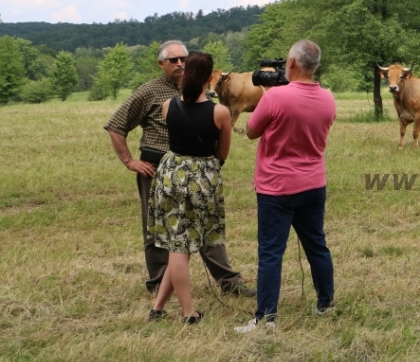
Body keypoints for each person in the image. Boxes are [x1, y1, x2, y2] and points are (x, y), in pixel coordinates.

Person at [104, 40, 254, 298]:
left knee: (207, 225)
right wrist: (130, 161)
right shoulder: (149, 92)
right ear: (161, 63)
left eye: (184, 59)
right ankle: (160, 282)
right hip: (157, 168)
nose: (179, 64)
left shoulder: (202, 93)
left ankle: (229, 281)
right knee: (157, 228)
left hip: (196, 170)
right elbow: (116, 125)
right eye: (173, 60)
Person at [235, 39, 337, 334]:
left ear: (291, 63)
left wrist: (269, 96)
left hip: (276, 186)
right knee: (316, 244)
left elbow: (252, 132)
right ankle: (325, 302)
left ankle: (266, 317)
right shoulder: (328, 98)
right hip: (313, 182)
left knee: (270, 252)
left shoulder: (275, 98)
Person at [148, 51, 233, 323]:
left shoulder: (167, 105)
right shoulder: (220, 112)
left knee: (178, 242)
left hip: (170, 175)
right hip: (200, 179)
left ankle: (158, 307)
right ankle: (188, 313)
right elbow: (222, 154)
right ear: (210, 77)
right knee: (181, 248)